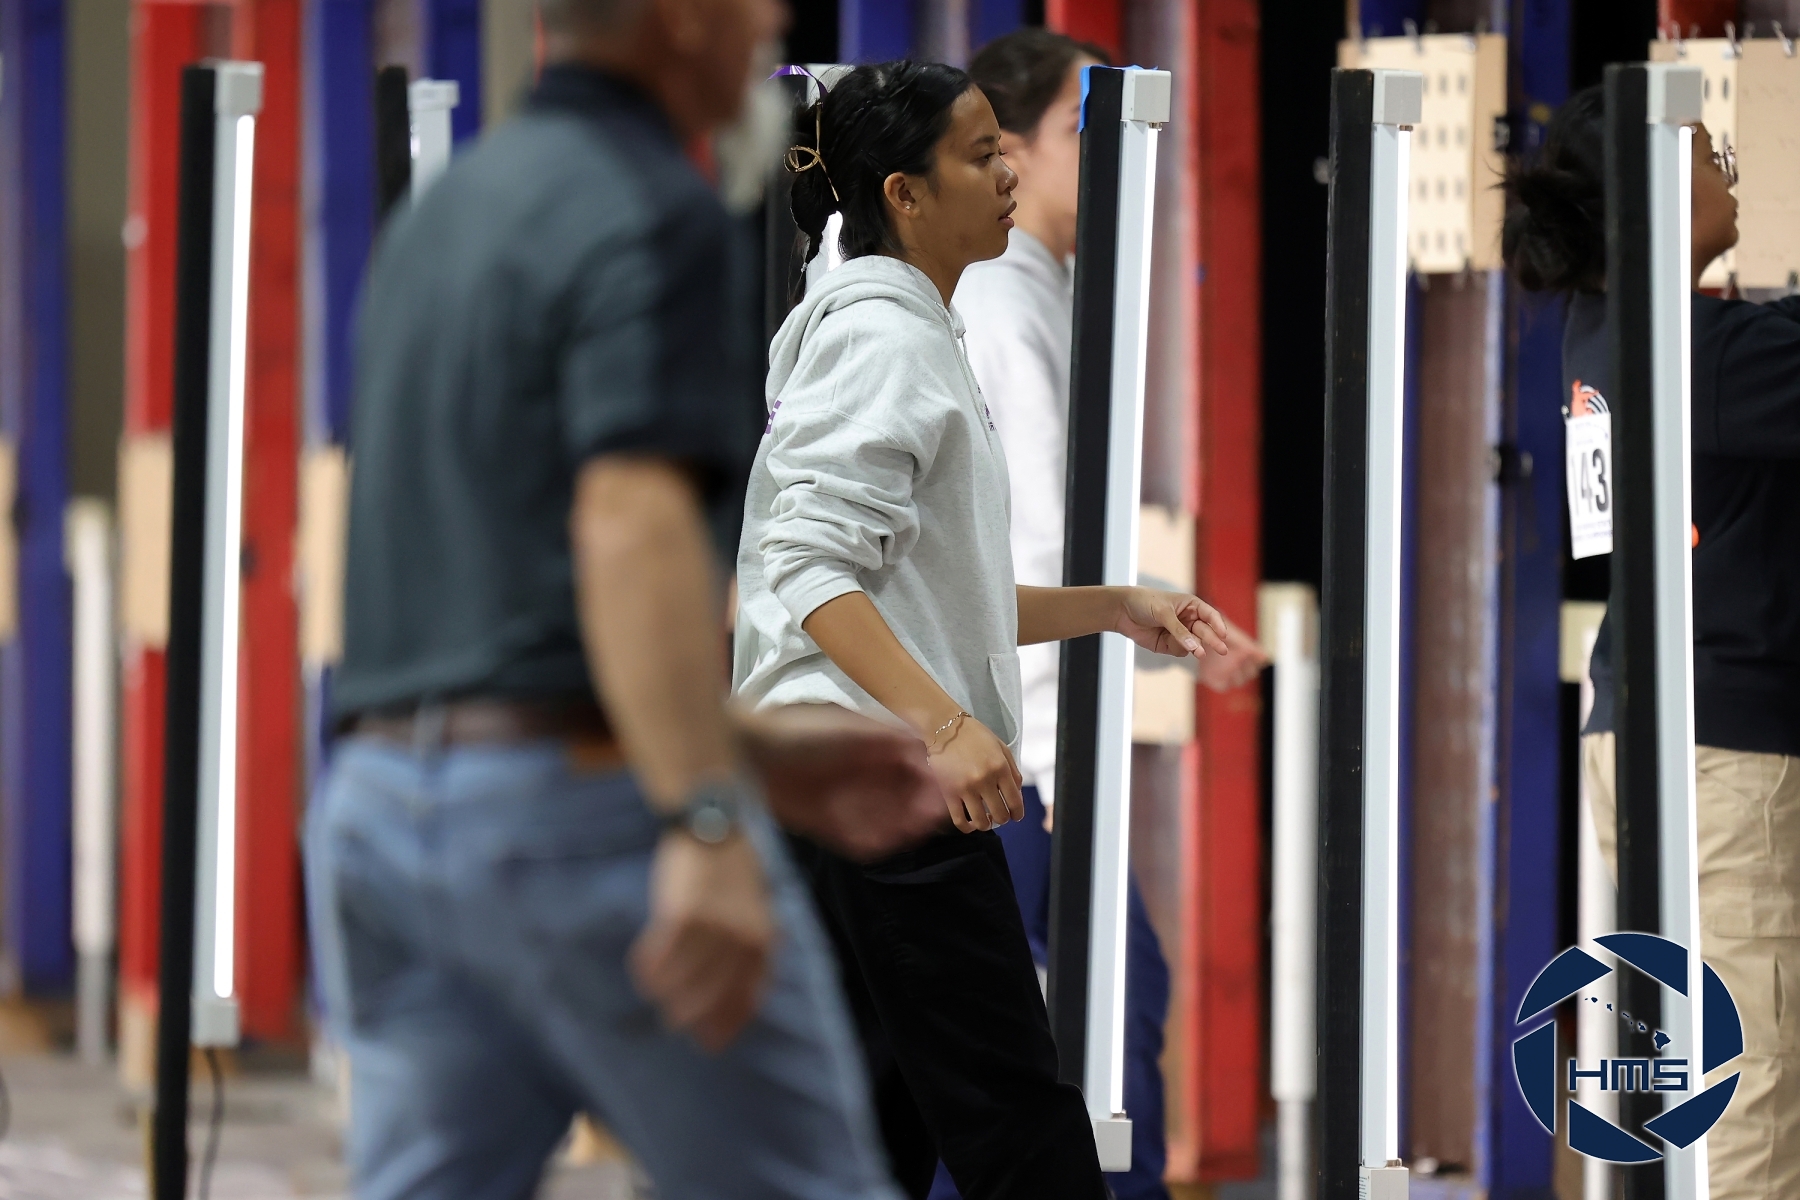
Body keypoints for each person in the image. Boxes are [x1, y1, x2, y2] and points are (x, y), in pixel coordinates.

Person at [309, 0, 943, 1195]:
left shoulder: (448, 215)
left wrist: (742, 746)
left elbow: (498, 607)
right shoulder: (652, 210)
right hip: (574, 823)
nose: (769, 25)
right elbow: (628, 525)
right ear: (682, 20)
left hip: (386, 815)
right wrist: (705, 813)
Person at [733, 59, 1237, 1200]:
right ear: (904, 194)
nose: (1009, 174)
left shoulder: (902, 325)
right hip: (884, 782)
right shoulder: (888, 339)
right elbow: (809, 566)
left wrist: (1113, 607)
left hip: (838, 783)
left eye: (1005, 148)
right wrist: (947, 725)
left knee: (878, 1135)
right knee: (1018, 1124)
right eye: (980, 155)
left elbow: (921, 591)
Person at [939, 32, 1270, 1200]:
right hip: (1009, 752)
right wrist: (1057, 748)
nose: (1122, 161)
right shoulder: (1003, 300)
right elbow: (1032, 544)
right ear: (1010, 151)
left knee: (1059, 1021)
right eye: (1086, 134)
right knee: (1096, 1019)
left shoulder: (1041, 291)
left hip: (1015, 742)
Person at [1505, 85, 1800, 1198]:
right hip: (1721, 752)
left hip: (1648, 728)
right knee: (1757, 1075)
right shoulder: (1709, 352)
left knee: (1704, 1063)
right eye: (1711, 152)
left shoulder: (1609, 330)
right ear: (1655, 193)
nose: (1731, 171)